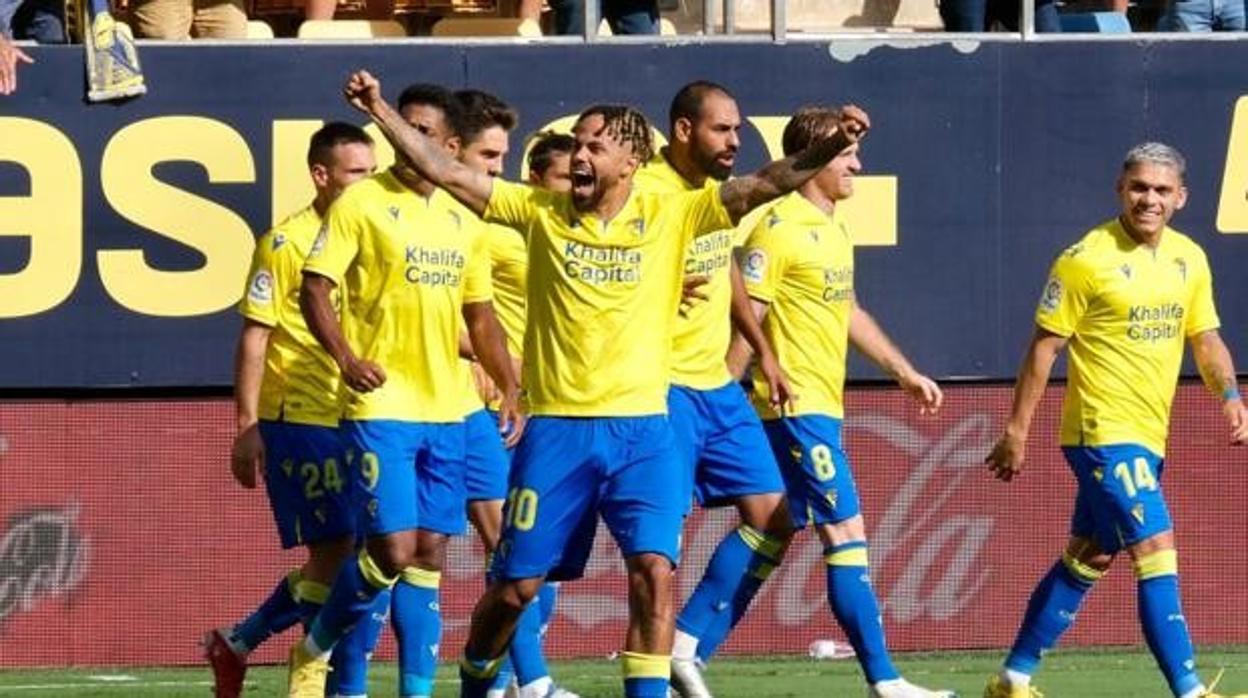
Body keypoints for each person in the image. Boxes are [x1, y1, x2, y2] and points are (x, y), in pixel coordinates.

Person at [334, 69, 870, 698]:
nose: (580, 155)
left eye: (594, 145)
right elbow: (447, 172)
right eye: (577, 144)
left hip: (645, 432)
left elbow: (765, 182)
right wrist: (378, 110)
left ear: (630, 161)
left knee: (654, 573)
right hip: (559, 432)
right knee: (515, 590)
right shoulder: (537, 210)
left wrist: (828, 148)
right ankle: (478, 677)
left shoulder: (673, 211)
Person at [983, 142, 1248, 698]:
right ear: (1120, 189)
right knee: (1155, 547)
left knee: (1090, 555)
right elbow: (1043, 350)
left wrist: (1228, 393)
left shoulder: (1189, 258)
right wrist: (1016, 431)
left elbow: (1205, 338)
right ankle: (1191, 690)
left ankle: (1013, 679)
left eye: (1160, 190)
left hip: (1148, 435)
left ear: (1181, 197)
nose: (1147, 199)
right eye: (1138, 187)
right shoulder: (1086, 258)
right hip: (1102, 433)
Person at [287, 82, 524, 698]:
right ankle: (313, 652)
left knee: (428, 555)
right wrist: (345, 356)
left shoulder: (464, 216)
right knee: (390, 550)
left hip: (447, 407)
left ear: (447, 146)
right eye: (398, 125)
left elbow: (480, 315)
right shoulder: (361, 204)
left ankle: (415, 692)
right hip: (382, 403)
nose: (401, 137)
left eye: (416, 129)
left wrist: (510, 385)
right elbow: (314, 288)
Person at [735, 106, 952, 698]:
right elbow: (745, 319)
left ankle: (685, 647)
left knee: (773, 528)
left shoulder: (832, 228)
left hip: (819, 404)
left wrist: (903, 370)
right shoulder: (775, 228)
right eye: (846, 155)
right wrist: (726, 397)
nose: (858, 164)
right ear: (813, 162)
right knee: (846, 530)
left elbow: (850, 309)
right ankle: (885, 680)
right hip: (792, 407)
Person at [202, 122, 377, 698]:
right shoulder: (285, 244)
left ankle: (242, 641)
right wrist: (247, 425)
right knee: (341, 550)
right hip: (301, 415)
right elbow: (256, 336)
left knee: (360, 551)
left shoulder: (374, 233)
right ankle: (308, 678)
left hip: (363, 412)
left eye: (373, 172)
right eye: (356, 173)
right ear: (321, 176)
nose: (368, 183)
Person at [631, 81, 793, 698]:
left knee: (775, 516)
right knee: (655, 556)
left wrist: (762, 350)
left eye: (738, 128)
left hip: (717, 385)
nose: (735, 141)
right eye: (723, 129)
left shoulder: (711, 198)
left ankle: (686, 644)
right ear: (682, 130)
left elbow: (724, 264)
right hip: (661, 385)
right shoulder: (645, 191)